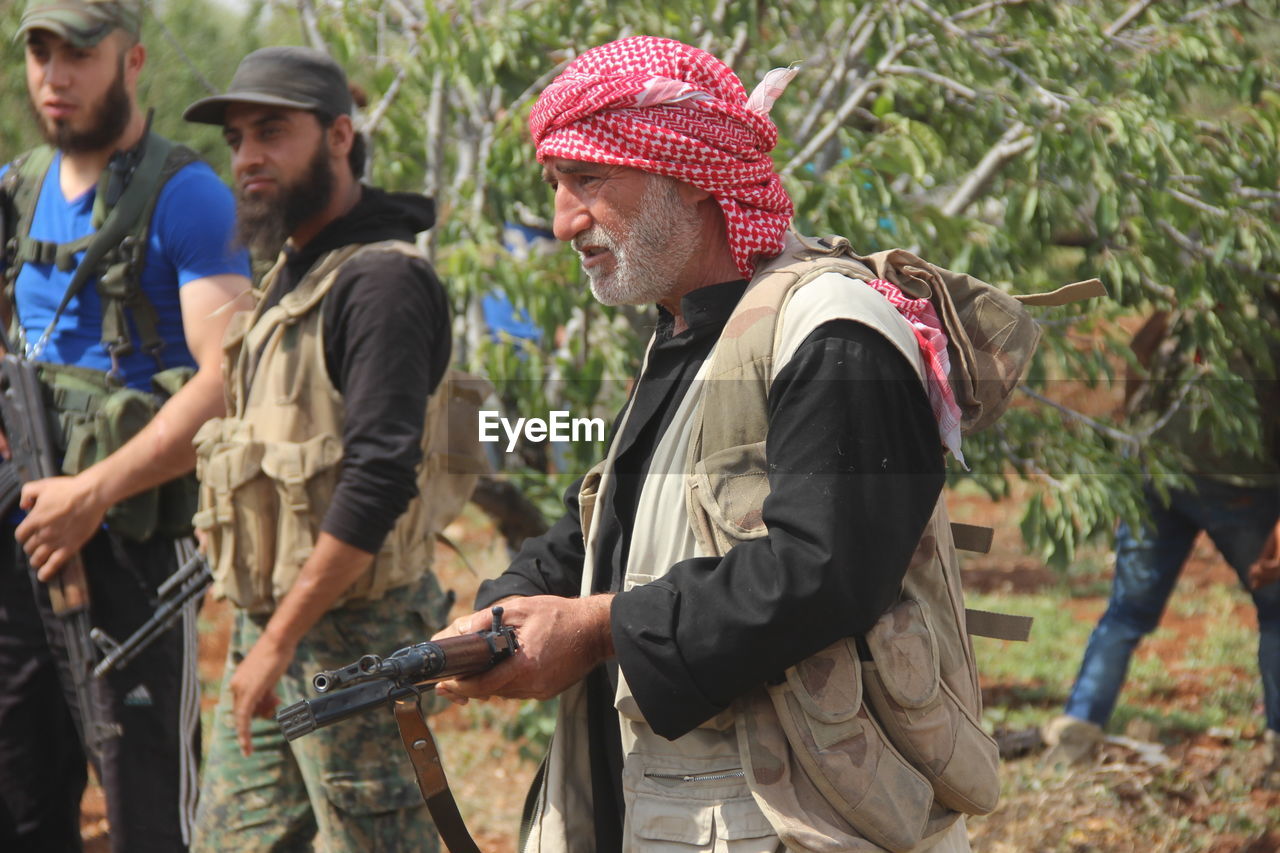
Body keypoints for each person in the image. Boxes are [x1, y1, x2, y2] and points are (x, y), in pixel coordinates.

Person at [436, 36, 982, 852]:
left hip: (805, 819)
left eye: (588, 180)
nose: (562, 221)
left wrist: (595, 627)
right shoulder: (689, 327)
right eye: (556, 184)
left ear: (687, 173)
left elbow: (823, 570)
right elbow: (622, 519)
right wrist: (504, 603)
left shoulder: (835, 329)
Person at [182, 46, 456, 851]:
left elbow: (377, 479)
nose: (247, 157)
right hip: (276, 630)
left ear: (339, 136)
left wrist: (278, 640)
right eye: (236, 139)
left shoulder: (381, 283)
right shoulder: (297, 275)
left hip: (355, 640)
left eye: (272, 131)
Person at [0, 1, 254, 849]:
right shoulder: (18, 187)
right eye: (40, 52)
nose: (55, 76)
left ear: (134, 60)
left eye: (78, 53)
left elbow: (227, 382)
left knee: (145, 803)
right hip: (23, 528)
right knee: (22, 794)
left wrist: (92, 492)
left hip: (133, 540)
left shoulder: (189, 197)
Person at [1045, 304, 1280, 787]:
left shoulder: (1191, 291)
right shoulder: (1262, 301)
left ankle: (1077, 733)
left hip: (1161, 471)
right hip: (1238, 483)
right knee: (1277, 612)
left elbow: (1139, 349)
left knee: (1125, 614)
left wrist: (1134, 430)